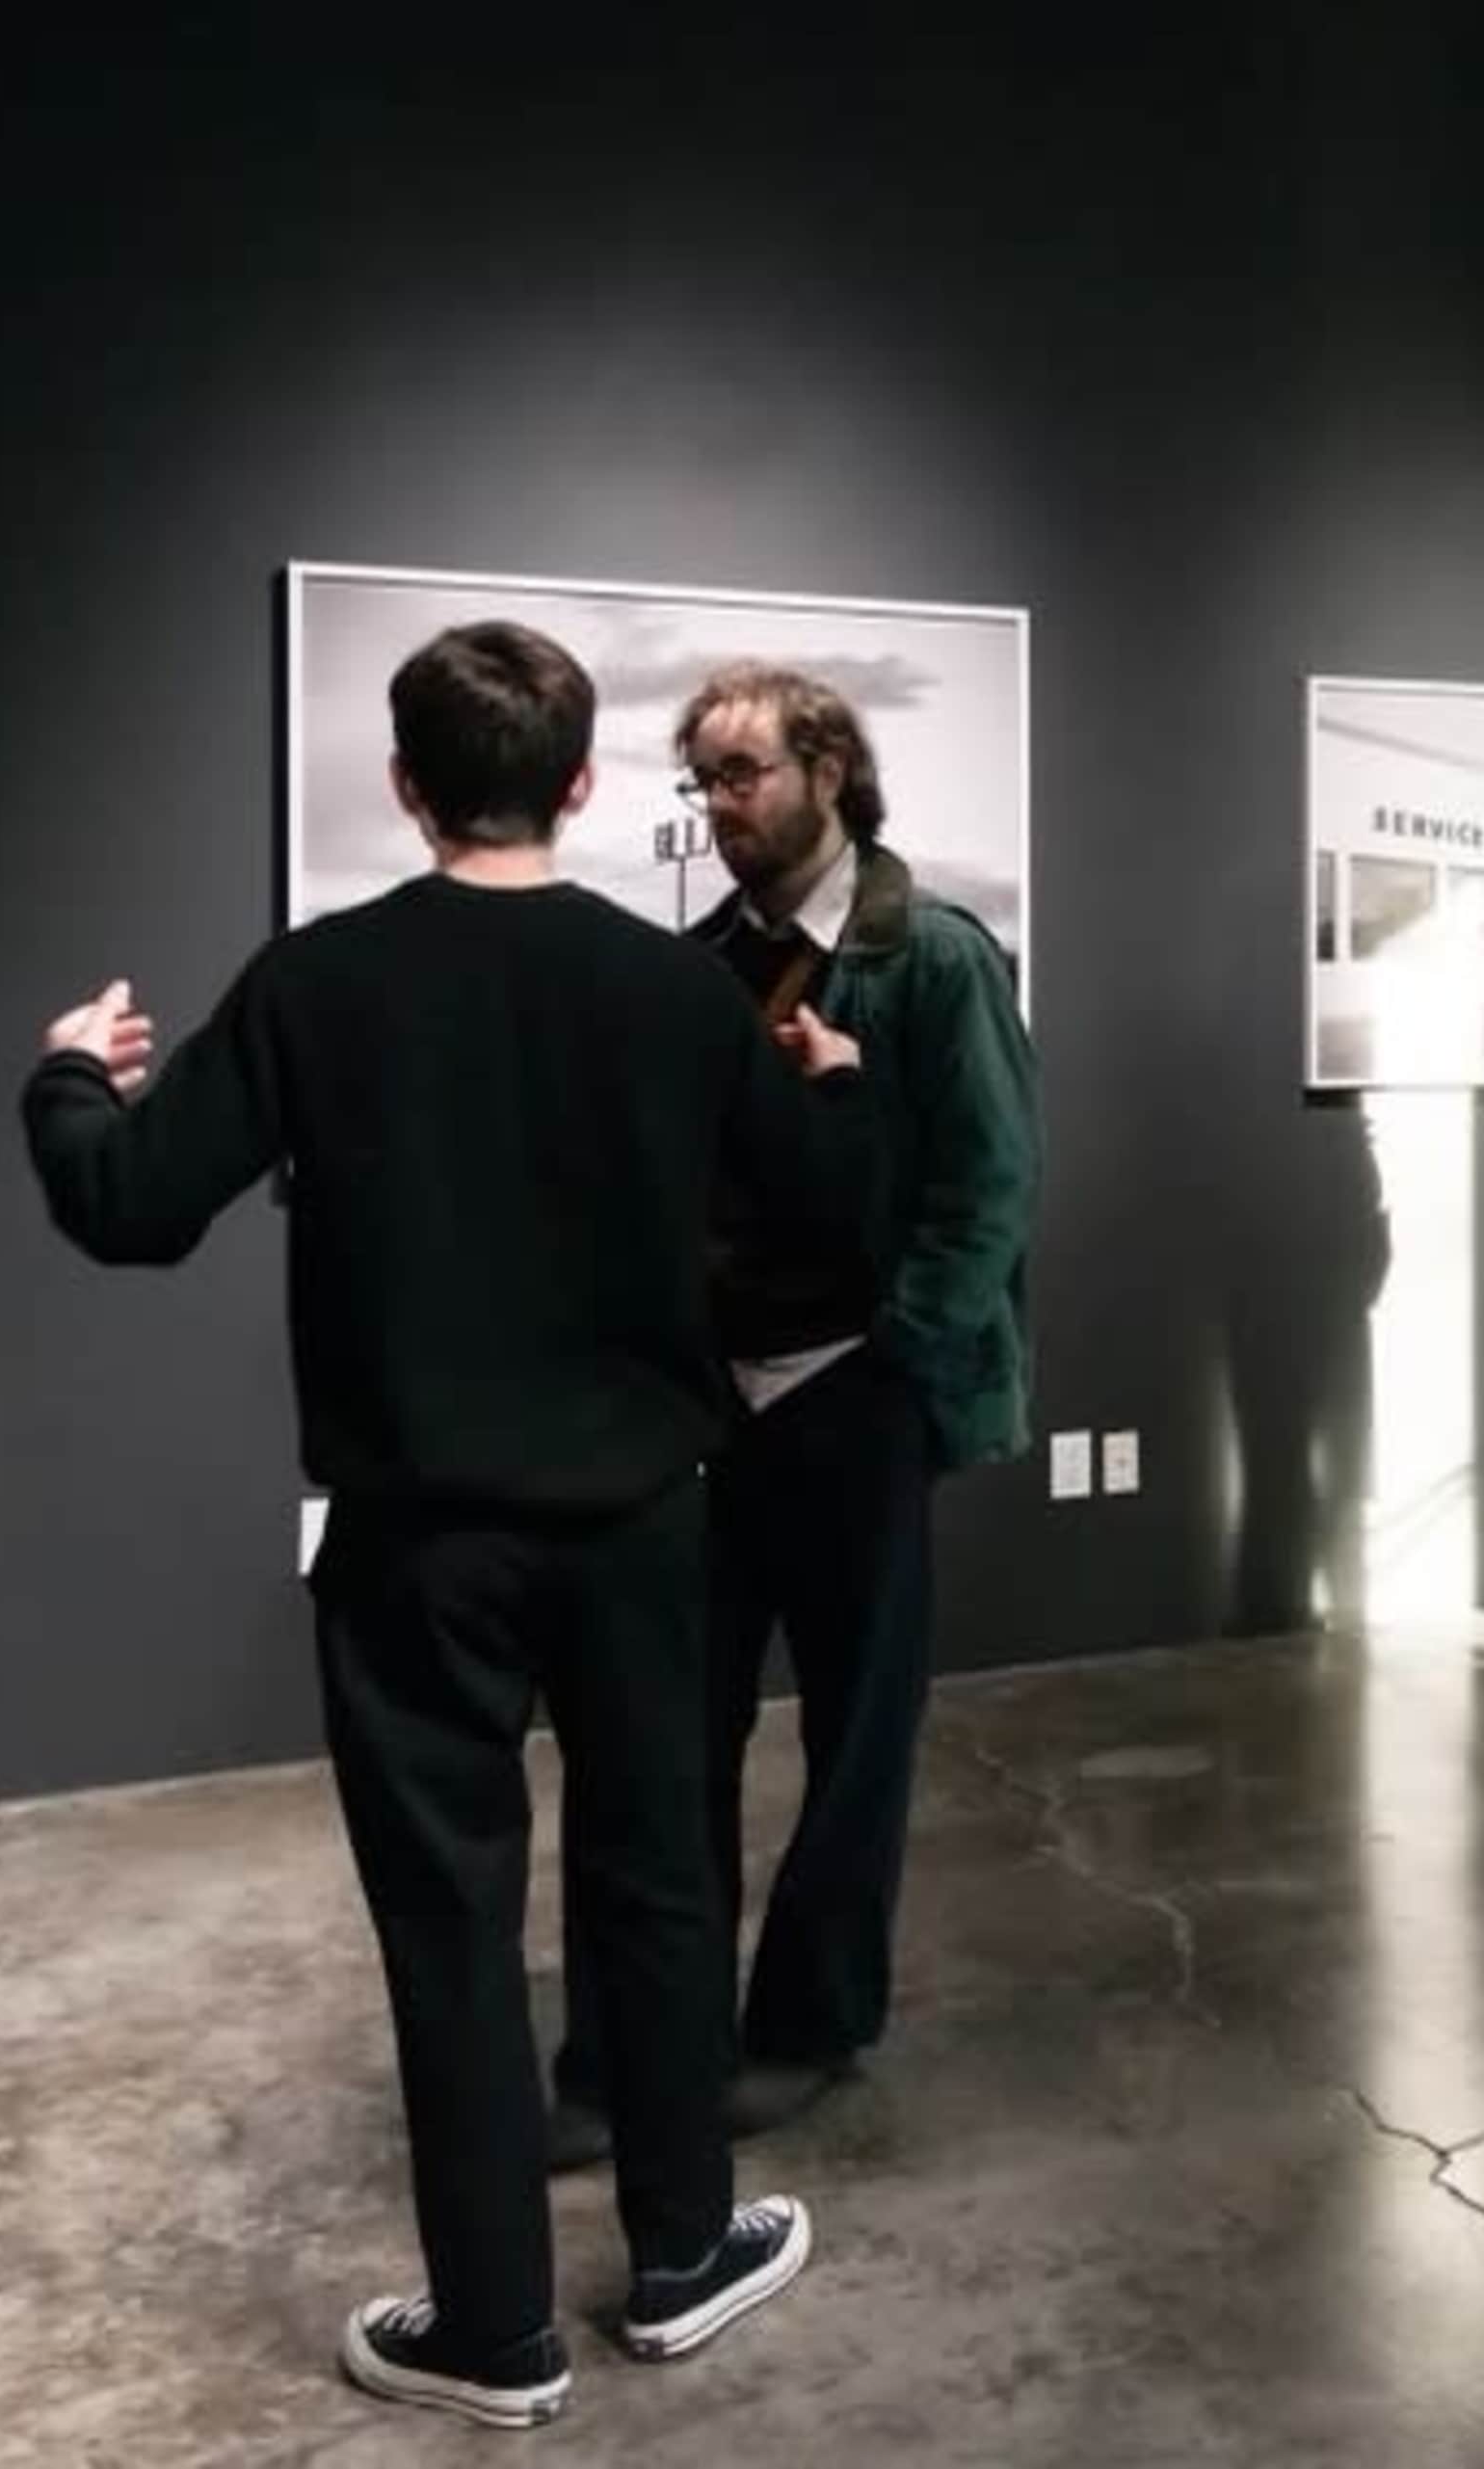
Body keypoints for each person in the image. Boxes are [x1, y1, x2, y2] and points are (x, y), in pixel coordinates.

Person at [21, 623, 855, 2427]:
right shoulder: (676, 994)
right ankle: (682, 2251)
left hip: (413, 1546)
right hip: (645, 1523)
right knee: (659, 1879)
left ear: (408, 784)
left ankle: (497, 2332)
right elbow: (820, 1236)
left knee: (452, 1926)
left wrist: (70, 1076)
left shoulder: (321, 985)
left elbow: (132, 1208)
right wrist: (823, 1099)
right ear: (576, 782)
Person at [552, 661, 1040, 2159]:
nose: (718, 803)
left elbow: (990, 1186)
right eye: (700, 778)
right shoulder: (703, 964)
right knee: (667, 1728)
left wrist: (900, 1354)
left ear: (829, 766)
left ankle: (814, 2020)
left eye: (742, 772)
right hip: (715, 1405)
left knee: (859, 1734)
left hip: (858, 1398)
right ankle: (653, 2027)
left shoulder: (932, 959)